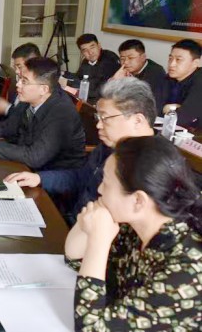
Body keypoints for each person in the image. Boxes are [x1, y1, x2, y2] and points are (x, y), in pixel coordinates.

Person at [64, 136, 202, 331]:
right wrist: (92, 223)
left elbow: (90, 328)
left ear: (138, 200)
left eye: (106, 183)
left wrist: (98, 241)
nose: (99, 189)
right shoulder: (135, 226)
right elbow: (74, 258)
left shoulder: (187, 269)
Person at [5, 78, 156, 223]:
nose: (98, 125)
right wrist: (39, 179)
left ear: (137, 120)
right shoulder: (109, 145)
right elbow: (81, 177)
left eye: (106, 118)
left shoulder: (153, 166)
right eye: (98, 117)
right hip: (75, 219)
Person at [0, 57, 85, 171]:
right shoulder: (30, 98)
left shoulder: (62, 112)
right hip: (28, 164)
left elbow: (35, 157)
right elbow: (10, 125)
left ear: (43, 89)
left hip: (54, 173)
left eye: (24, 81)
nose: (18, 84)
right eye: (20, 79)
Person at [0, 42, 40, 118]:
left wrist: (6, 108)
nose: (16, 71)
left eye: (19, 67)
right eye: (15, 67)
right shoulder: (20, 81)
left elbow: (25, 120)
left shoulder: (37, 88)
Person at [157, 38, 201, 128]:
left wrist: (168, 109)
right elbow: (153, 108)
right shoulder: (168, 78)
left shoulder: (199, 81)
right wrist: (173, 109)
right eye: (170, 58)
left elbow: (183, 118)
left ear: (195, 63)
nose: (171, 64)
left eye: (178, 60)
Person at [65, 33, 120, 102]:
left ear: (99, 45)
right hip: (90, 97)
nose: (90, 52)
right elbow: (79, 77)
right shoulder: (86, 61)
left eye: (92, 47)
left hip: (107, 99)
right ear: (82, 52)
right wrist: (64, 74)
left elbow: (97, 90)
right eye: (85, 50)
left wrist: (69, 83)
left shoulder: (109, 59)